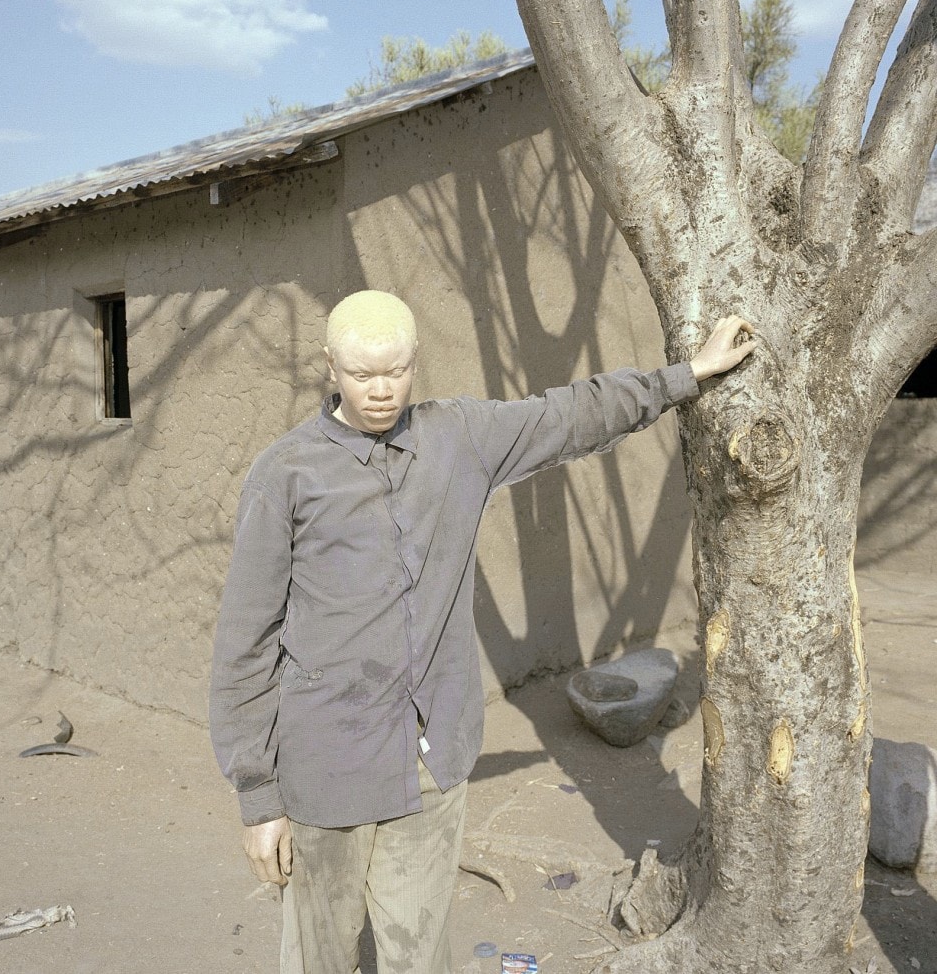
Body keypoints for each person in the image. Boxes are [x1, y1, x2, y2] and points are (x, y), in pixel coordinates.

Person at [209, 290, 756, 973]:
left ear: (415, 361)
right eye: (360, 374)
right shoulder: (285, 475)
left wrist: (687, 375)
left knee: (418, 957)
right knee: (319, 959)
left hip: (429, 767)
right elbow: (245, 643)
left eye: (395, 371)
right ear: (330, 367)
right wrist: (258, 798)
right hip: (325, 771)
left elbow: (570, 415)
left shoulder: (457, 438)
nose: (380, 390)